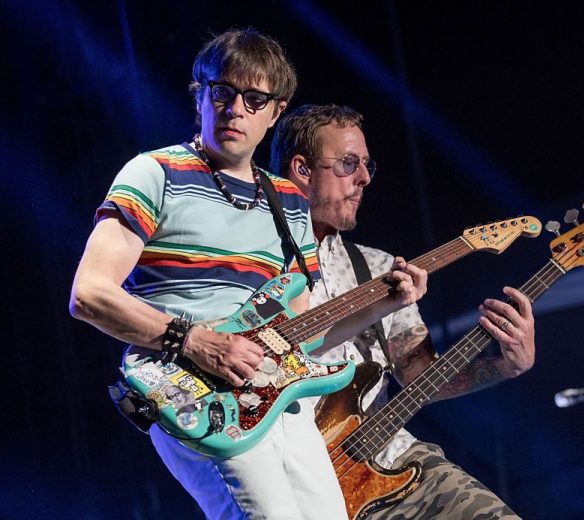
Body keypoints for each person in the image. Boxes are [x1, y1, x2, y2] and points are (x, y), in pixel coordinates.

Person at [69, 29, 427, 520]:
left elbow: (304, 336)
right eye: (223, 92)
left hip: (280, 401)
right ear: (200, 95)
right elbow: (89, 294)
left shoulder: (290, 202)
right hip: (194, 394)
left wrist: (386, 302)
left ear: (275, 112)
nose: (235, 109)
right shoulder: (153, 173)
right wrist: (197, 341)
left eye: (255, 99)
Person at [271, 104, 536, 520]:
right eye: (348, 163)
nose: (364, 178)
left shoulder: (377, 267)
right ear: (302, 169)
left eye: (367, 165)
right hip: (295, 476)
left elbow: (419, 375)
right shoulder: (251, 262)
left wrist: (506, 366)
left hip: (393, 459)